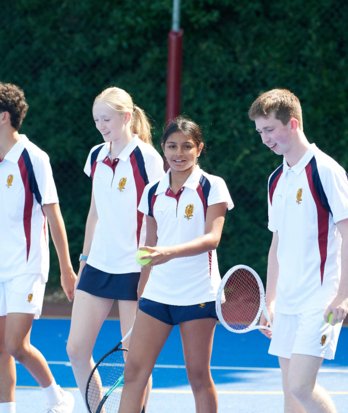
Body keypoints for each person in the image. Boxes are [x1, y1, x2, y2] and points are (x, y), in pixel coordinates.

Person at [118, 116, 234, 413]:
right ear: (162, 148)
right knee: (133, 373)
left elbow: (212, 238)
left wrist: (168, 253)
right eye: (172, 146)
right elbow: (149, 246)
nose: (178, 153)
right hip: (157, 296)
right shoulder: (152, 191)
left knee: (197, 375)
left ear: (199, 149)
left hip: (198, 296)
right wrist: (143, 286)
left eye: (186, 147)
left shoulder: (213, 186)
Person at [248, 88, 348, 412]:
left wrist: (344, 296)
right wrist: (270, 300)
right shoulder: (276, 179)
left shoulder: (326, 171)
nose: (264, 138)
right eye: (260, 131)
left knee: (301, 387)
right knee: (290, 395)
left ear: (292, 124)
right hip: (287, 301)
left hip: (319, 300)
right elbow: (276, 243)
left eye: (270, 130)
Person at [66, 86, 164, 410]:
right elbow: (94, 212)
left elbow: (158, 215)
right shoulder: (95, 155)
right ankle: (98, 409)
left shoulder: (146, 158)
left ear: (125, 117)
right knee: (76, 350)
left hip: (134, 268)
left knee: (135, 360)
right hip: (97, 265)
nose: (101, 126)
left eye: (106, 119)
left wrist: (149, 268)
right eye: (96, 120)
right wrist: (83, 259)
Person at [0, 82, 76, 413]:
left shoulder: (33, 158)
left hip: (27, 266)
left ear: (3, 117)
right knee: (1, 348)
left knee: (16, 345)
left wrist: (67, 268)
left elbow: (54, 216)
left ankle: (56, 397)